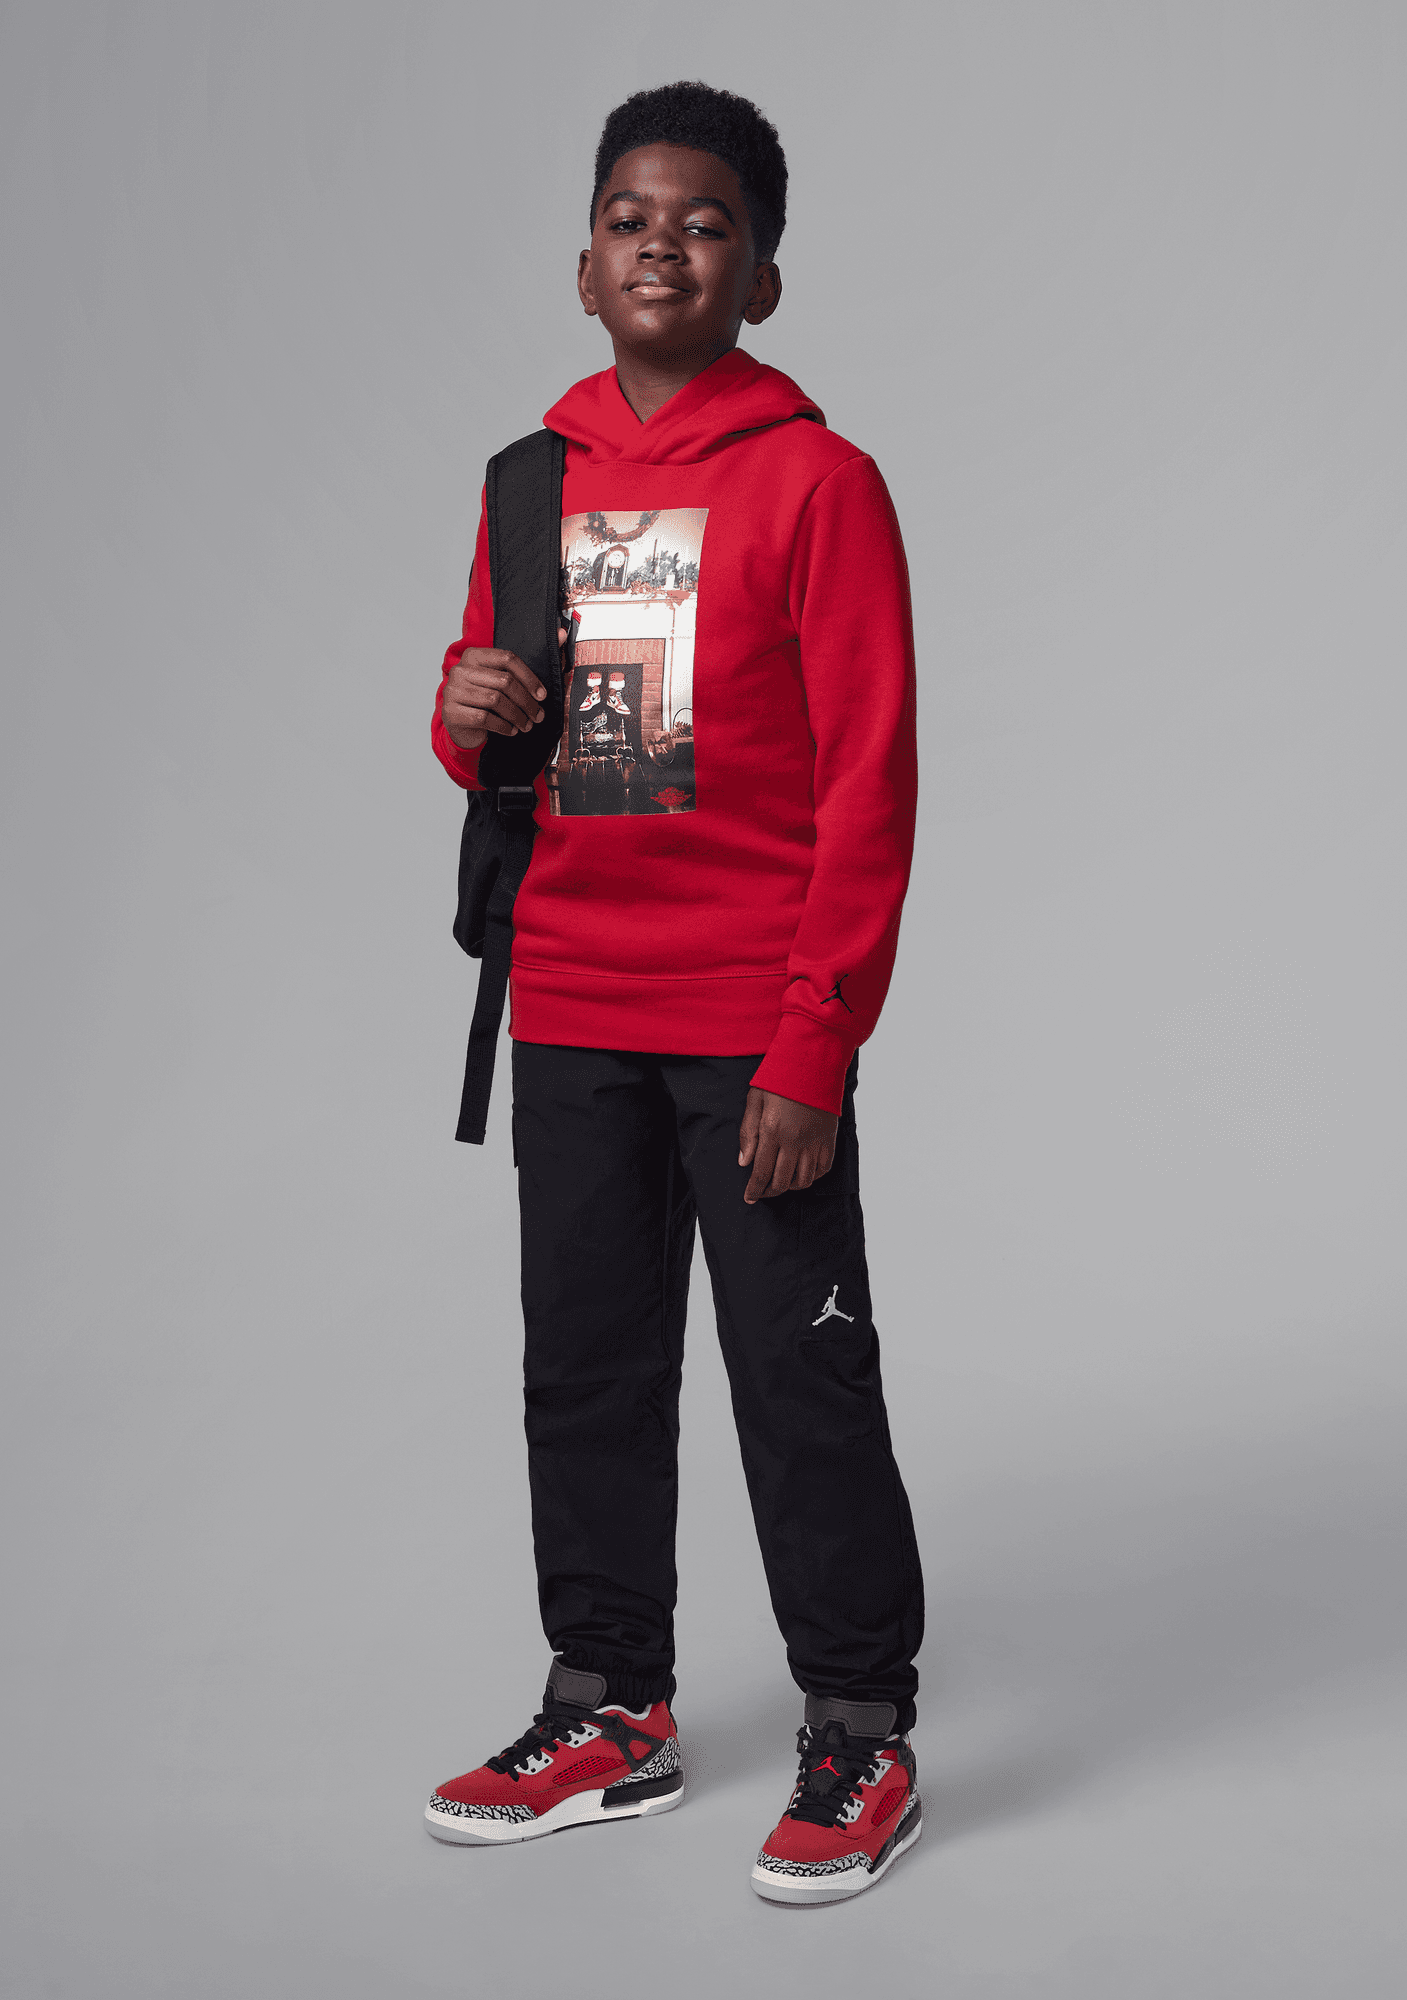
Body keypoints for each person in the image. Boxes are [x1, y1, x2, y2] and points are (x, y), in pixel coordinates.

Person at [425, 81, 925, 1906]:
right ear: (583, 266)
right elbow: (506, 740)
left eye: (706, 223)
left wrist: (816, 1036)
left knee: (800, 1381)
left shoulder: (817, 484)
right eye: (629, 219)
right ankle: (611, 1704)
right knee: (587, 1368)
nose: (663, 245)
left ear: (761, 279)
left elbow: (870, 783)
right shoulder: (529, 480)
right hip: (568, 1001)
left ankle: (861, 1725)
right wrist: (460, 713)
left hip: (749, 1024)